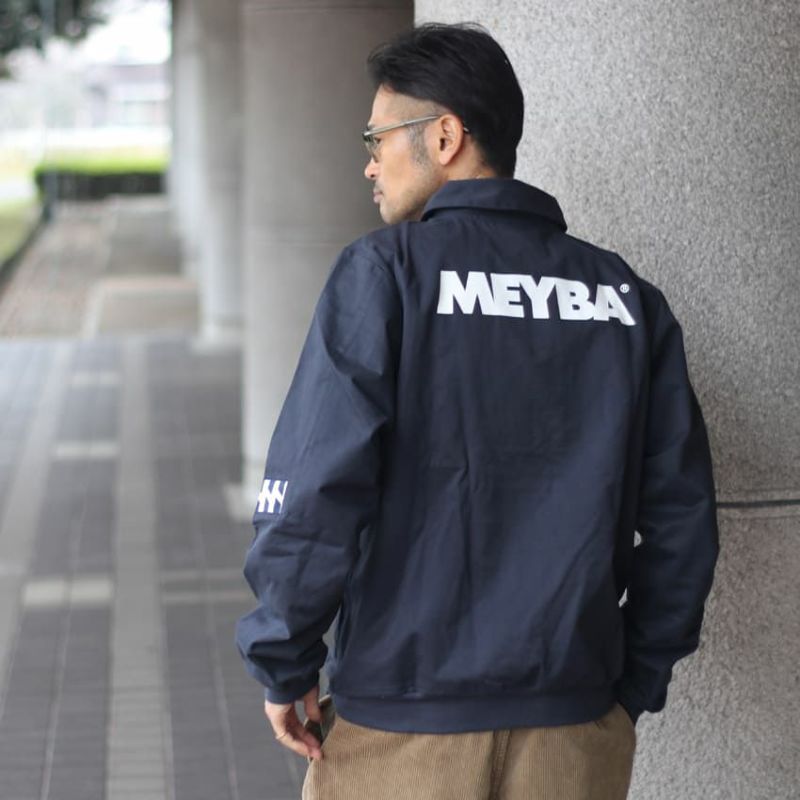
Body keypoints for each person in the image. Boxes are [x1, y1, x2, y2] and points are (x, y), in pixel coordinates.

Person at [235, 22, 720, 800]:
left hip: (403, 727)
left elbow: (317, 487)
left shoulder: (385, 274)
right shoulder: (625, 299)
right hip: (575, 727)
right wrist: (627, 686)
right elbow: (683, 522)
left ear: (445, 136)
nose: (369, 163)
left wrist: (283, 661)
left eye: (377, 138)